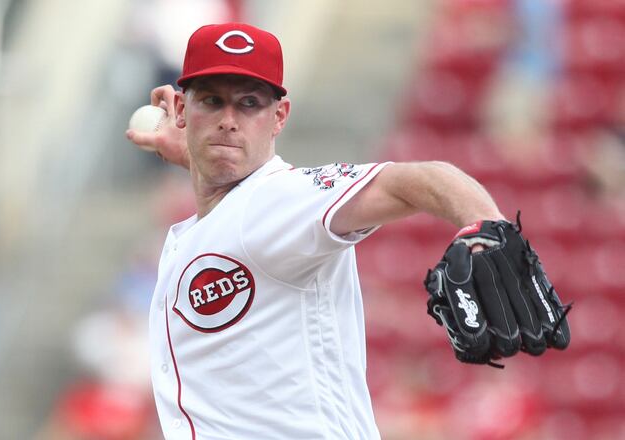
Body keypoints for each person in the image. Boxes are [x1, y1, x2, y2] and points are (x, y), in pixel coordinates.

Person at [125, 22, 567, 440]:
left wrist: (486, 228)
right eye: (211, 102)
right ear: (181, 110)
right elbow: (229, 205)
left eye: (249, 104)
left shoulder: (280, 199)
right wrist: (198, 156)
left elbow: (417, 179)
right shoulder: (226, 215)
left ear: (279, 117)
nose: (228, 119)